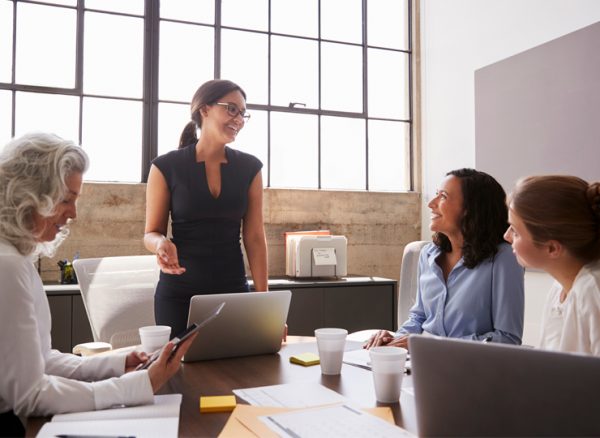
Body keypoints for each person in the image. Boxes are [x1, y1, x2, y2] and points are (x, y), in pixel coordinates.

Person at [0, 132, 196, 437]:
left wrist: (116, 364)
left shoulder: (15, 258)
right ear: (28, 195)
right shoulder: (7, 265)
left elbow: (41, 359)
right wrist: (133, 387)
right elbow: (29, 394)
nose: (74, 213)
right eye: (66, 200)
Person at [144, 79, 268, 336]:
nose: (239, 119)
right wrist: (159, 244)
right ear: (204, 109)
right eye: (231, 109)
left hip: (233, 293)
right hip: (179, 296)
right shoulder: (165, 167)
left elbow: (255, 238)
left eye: (243, 113)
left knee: (240, 373)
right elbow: (151, 232)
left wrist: (264, 304)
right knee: (179, 372)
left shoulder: (251, 169)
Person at [365, 168, 524, 350]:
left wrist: (432, 346)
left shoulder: (504, 258)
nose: (431, 204)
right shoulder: (428, 254)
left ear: (470, 208)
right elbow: (419, 317)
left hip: (472, 369)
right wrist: (394, 339)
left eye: (443, 197)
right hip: (423, 362)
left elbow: (507, 338)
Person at [505, 175, 600, 356]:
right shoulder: (559, 288)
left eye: (515, 231)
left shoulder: (593, 291)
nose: (506, 236)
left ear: (552, 248)